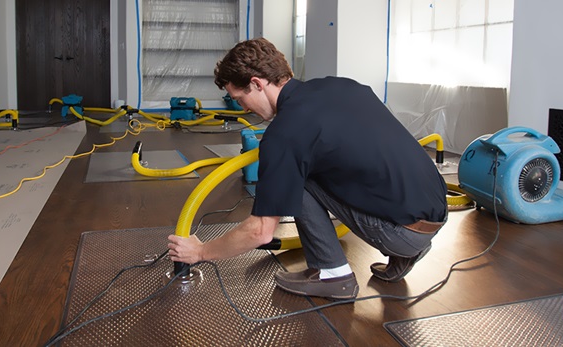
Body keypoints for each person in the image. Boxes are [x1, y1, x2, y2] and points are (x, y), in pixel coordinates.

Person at [166, 38, 448, 300]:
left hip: (403, 232)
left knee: (297, 176)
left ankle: (332, 274)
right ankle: (407, 253)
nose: (243, 108)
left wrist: (201, 251)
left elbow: (260, 232)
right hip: (437, 210)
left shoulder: (284, 132)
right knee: (323, 166)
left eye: (240, 99)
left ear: (257, 83)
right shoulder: (343, 85)